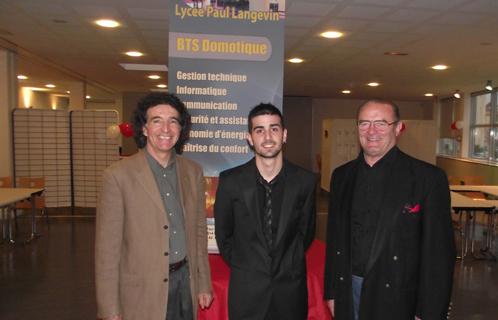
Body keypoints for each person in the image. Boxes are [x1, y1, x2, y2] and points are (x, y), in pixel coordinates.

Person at [324, 99, 456, 320]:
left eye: (381, 123)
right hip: (349, 289)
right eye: (364, 123)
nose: (371, 131)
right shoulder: (341, 176)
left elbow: (439, 255)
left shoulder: (427, 178)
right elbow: (334, 239)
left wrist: (429, 312)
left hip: (399, 295)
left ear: (398, 127)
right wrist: (331, 293)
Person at [95, 93, 212, 320]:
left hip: (185, 283)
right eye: (157, 120)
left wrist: (203, 283)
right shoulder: (118, 176)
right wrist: (109, 308)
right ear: (144, 128)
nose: (165, 129)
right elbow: (107, 250)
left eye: (173, 121)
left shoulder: (193, 172)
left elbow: (198, 232)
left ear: (181, 128)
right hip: (141, 290)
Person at [214, 103, 317, 320]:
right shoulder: (230, 181)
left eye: (274, 128)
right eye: (259, 130)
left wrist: (288, 263)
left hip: (290, 291)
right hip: (247, 292)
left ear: (284, 134)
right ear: (250, 138)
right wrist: (248, 267)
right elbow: (224, 237)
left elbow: (305, 234)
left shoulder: (305, 181)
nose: (267, 136)